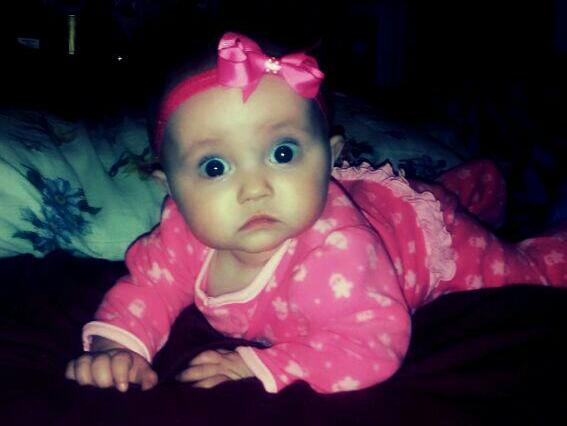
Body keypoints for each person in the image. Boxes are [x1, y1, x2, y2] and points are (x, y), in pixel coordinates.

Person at [65, 31, 567, 394]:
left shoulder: (336, 250)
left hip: (419, 236)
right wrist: (116, 349)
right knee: (453, 193)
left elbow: (373, 343)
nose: (255, 189)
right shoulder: (181, 234)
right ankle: (476, 185)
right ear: (170, 187)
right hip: (378, 208)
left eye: (282, 153)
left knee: (525, 273)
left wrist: (259, 366)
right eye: (215, 167)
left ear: (329, 157)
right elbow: (146, 290)